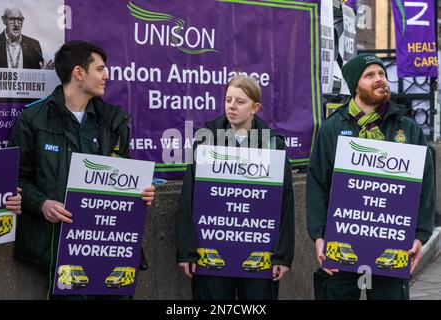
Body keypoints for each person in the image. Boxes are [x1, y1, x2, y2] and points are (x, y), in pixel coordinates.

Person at [7, 40, 155, 300]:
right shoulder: (32, 119)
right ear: (78, 73)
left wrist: (142, 192)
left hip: (111, 247)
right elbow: (16, 179)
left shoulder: (113, 120)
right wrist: (41, 204)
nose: (106, 75)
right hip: (60, 249)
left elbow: (125, 174)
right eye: (100, 69)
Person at [306, 53, 435, 300]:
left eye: (382, 74)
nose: (380, 79)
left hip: (392, 250)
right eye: (370, 75)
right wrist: (319, 235)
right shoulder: (331, 128)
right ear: (355, 85)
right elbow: (317, 185)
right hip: (342, 251)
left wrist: (420, 235)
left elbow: (425, 184)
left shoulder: (407, 128)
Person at [176, 75, 294, 300]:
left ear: (255, 107)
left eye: (240, 102)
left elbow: (286, 204)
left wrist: (282, 257)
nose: (231, 106)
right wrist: (187, 252)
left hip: (259, 254)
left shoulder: (273, 146)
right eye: (228, 100)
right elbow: (188, 199)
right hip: (211, 252)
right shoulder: (206, 142)